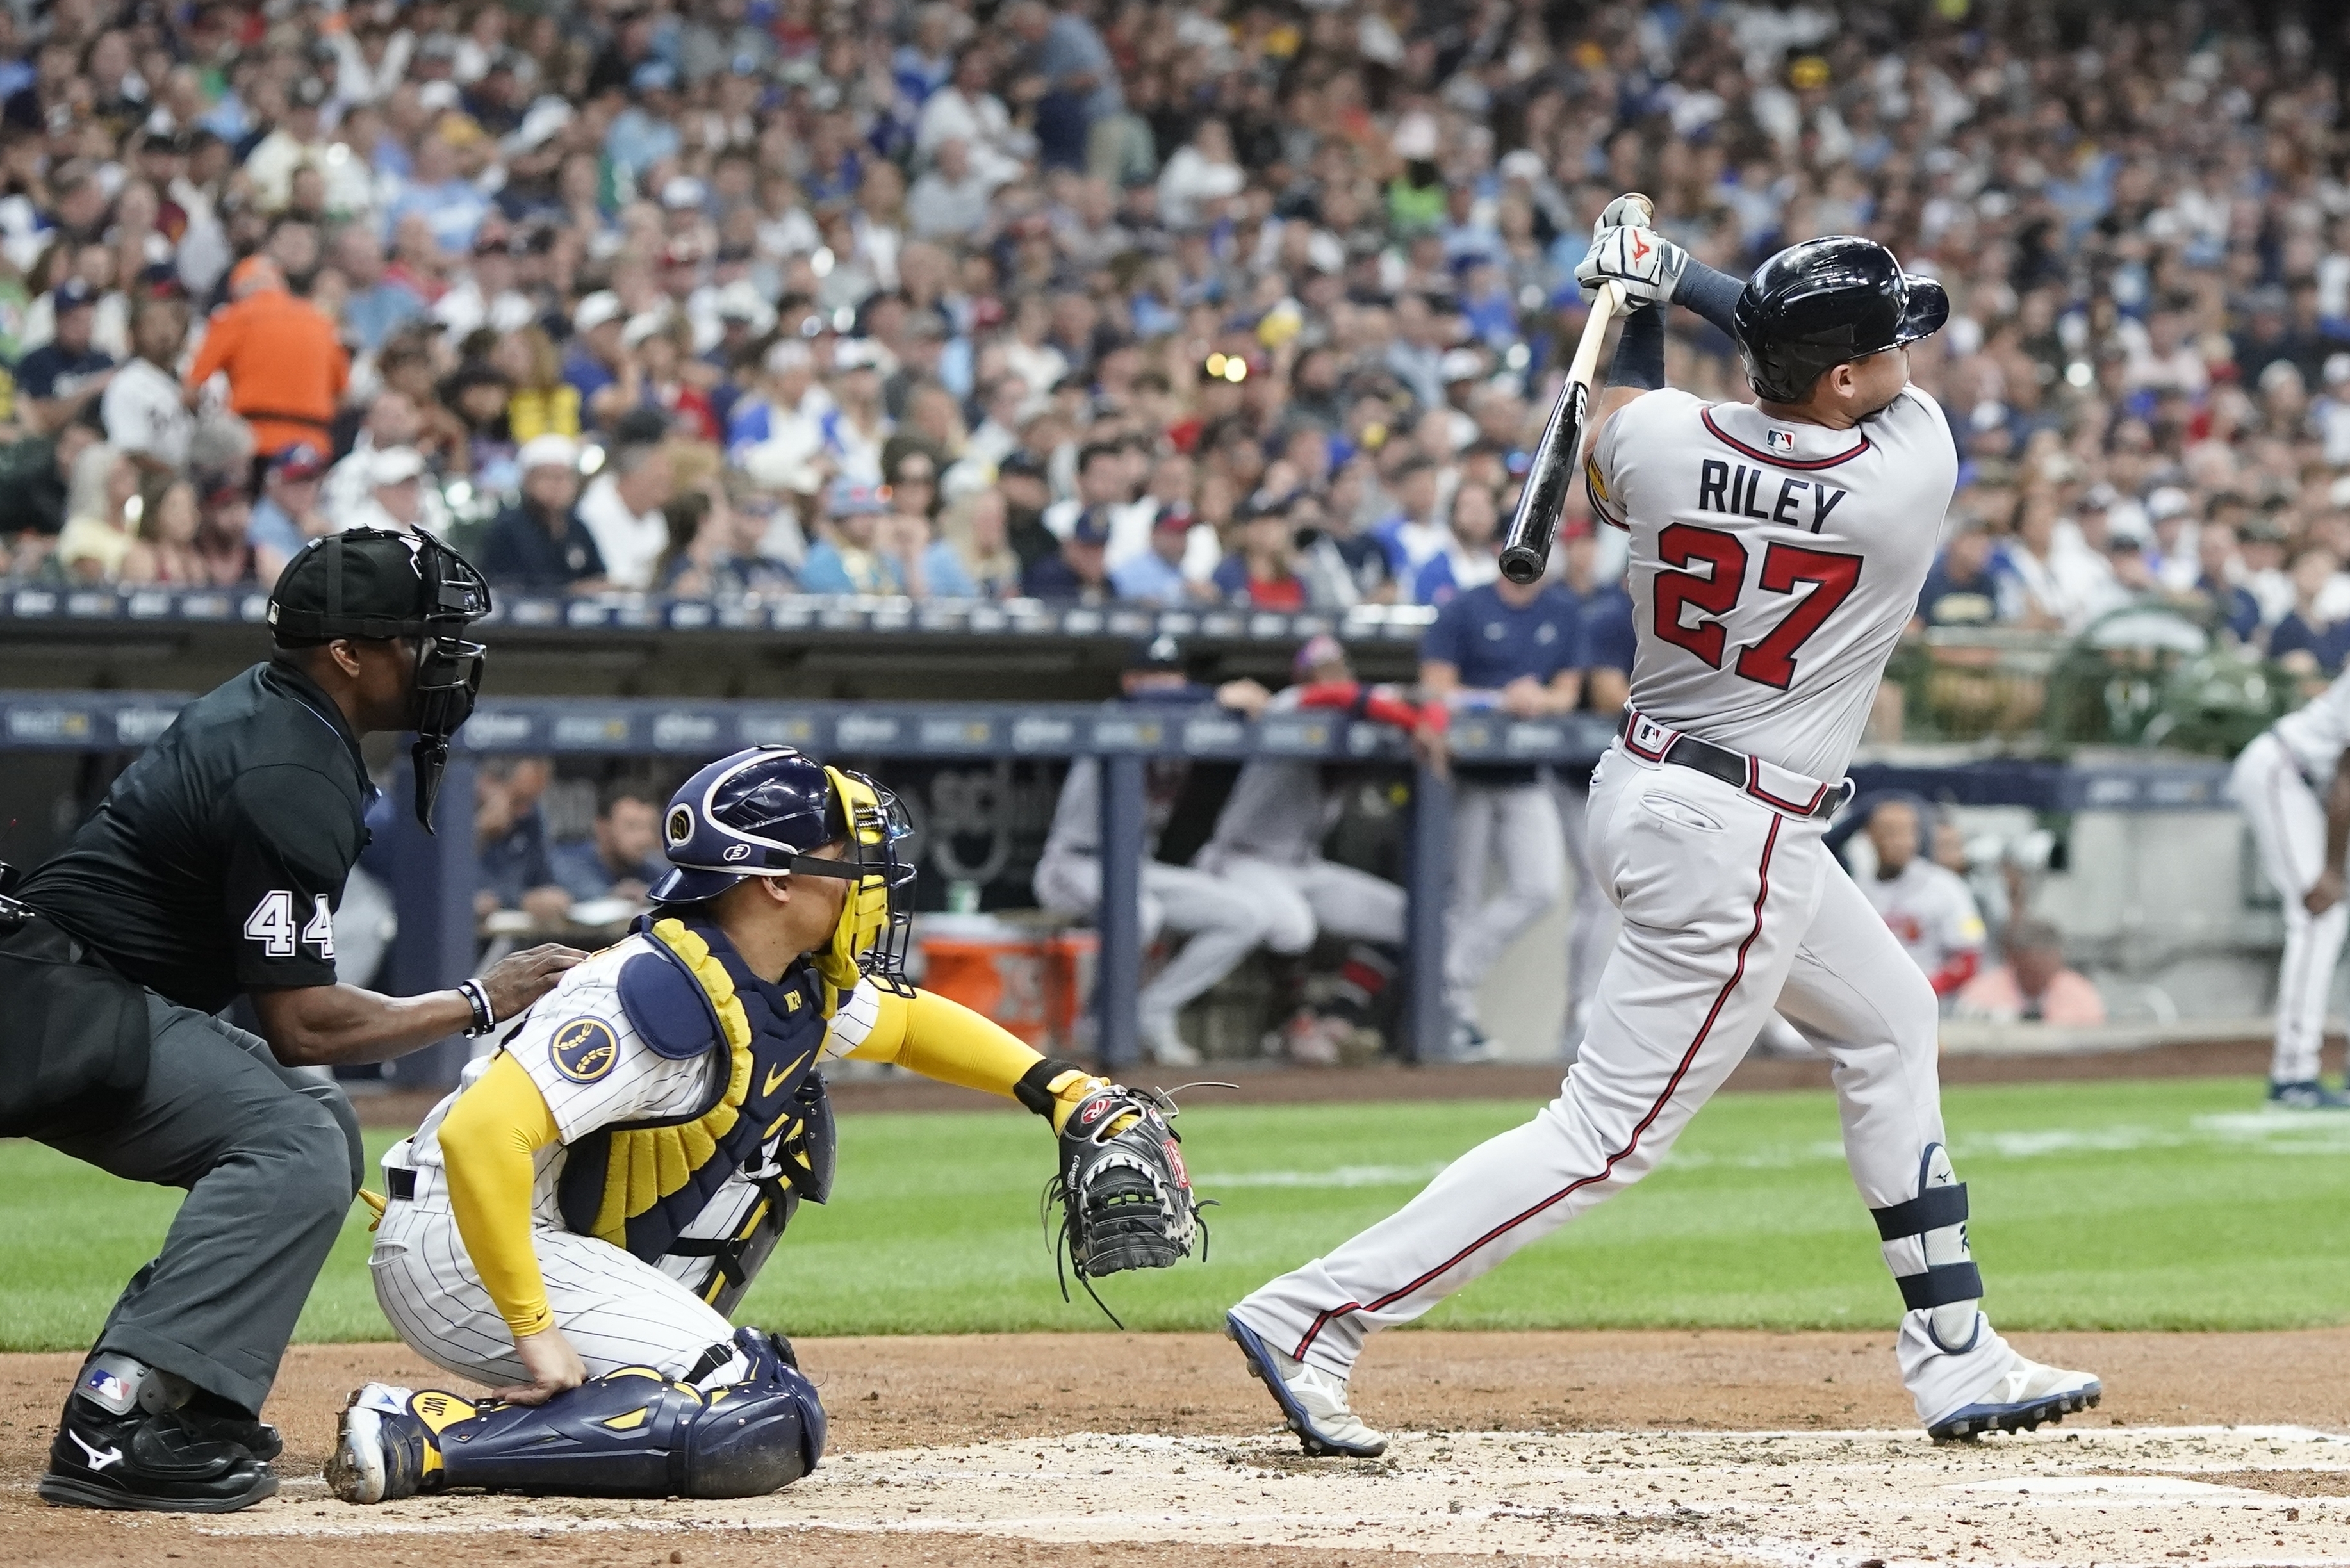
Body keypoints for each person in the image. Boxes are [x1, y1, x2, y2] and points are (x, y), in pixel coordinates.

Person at [1222, 219, 2098, 1460]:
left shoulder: (1655, 438)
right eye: (1888, 345)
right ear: (1841, 381)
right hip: (1737, 835)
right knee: (1599, 1137)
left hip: (1647, 786)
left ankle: (1954, 1351)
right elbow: (1774, 353)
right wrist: (1677, 274)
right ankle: (1316, 1315)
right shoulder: (1906, 478)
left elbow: (1623, 416)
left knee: (1892, 1017)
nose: (1910, 359)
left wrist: (1640, 286)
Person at [327, 747, 1190, 1503]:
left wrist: (1062, 1089)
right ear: (774, 880)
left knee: (791, 1127)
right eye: (843, 853)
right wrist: (537, 1335)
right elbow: (479, 1135)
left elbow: (905, 1021)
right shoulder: (652, 992)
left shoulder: (774, 972)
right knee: (749, 1403)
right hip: (459, 1248)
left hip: (527, 1230)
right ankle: (422, 1435)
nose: (869, 874)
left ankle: (641, 1368)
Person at [5, 529, 580, 1512]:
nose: (444, 657)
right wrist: (484, 998)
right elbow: (306, 1028)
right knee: (289, 1138)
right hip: (50, 999)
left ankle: (190, 1398)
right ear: (348, 654)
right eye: (420, 636)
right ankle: (117, 1419)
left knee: (314, 1124)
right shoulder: (291, 769)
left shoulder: (292, 725)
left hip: (74, 991)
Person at [1194, 635, 1443, 1065]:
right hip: (1242, 857)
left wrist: (1429, 724)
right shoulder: (1292, 703)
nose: (1332, 676)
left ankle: (1338, 1019)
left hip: (1302, 865)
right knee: (1295, 926)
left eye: (1338, 667)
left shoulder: (1361, 707)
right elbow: (1337, 695)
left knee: (1411, 918)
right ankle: (1292, 1023)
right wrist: (1408, 720)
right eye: (1320, 670)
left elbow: (1434, 701)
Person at [1033, 636, 1270, 1066]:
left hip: (1136, 866)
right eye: (1154, 677)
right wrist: (1216, 695)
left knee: (1246, 915)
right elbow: (1149, 706)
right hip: (1074, 863)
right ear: (1130, 682)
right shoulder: (1117, 712)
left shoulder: (1193, 719)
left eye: (1173, 675)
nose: (1167, 686)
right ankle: (1095, 1023)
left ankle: (1154, 1012)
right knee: (1141, 915)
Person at [1418, 556, 1582, 1059]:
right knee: (1460, 897)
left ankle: (1450, 980)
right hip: (1465, 773)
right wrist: (1497, 700)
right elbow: (1436, 688)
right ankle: (1454, 1017)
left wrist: (1538, 698)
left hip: (1526, 772)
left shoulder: (1560, 609)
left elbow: (1567, 694)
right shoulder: (1465, 609)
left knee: (1539, 887)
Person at [2231, 662, 2350, 1106]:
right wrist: (2332, 871)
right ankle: (2293, 1076)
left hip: (2321, 789)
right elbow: (2347, 777)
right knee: (2320, 917)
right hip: (2288, 773)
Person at [185, 256, 349, 460]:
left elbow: (191, 391)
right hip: (313, 445)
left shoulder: (234, 317)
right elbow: (343, 395)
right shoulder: (322, 322)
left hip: (254, 441)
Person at [1853, 797, 1987, 1006]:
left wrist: (1923, 991)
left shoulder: (1946, 886)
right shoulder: (1856, 889)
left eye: (1906, 832)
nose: (1899, 842)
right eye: (1889, 832)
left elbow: (1969, 958)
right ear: (1870, 836)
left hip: (1935, 1005)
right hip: (1873, 1004)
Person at [477, 434, 605, 595]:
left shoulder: (578, 528)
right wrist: (568, 591)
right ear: (527, 480)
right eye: (548, 477)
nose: (558, 485)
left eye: (565, 477)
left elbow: (598, 577)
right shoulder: (506, 530)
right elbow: (501, 586)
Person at [99, 296, 192, 473]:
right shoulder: (127, 384)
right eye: (153, 324)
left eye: (169, 323)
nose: (164, 332)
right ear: (133, 335)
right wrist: (179, 478)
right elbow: (133, 454)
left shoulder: (191, 377)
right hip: (151, 484)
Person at [1953, 920, 2107, 1027]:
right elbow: (1968, 1026)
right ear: (2015, 960)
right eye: (2032, 971)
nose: (2039, 977)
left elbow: (2091, 1030)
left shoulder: (2078, 990)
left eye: (2047, 970)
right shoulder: (1983, 990)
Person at [16, 277, 115, 434]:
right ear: (57, 320)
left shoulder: (104, 361)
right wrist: (91, 388)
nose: (82, 326)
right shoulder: (36, 362)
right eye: (74, 319)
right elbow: (43, 420)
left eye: (87, 318)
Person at [575, 441, 675, 592]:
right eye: (659, 483)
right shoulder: (596, 510)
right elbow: (615, 579)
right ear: (633, 479)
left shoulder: (653, 514)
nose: (666, 494)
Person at [550, 783, 667, 903]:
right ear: (602, 828)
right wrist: (616, 895)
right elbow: (585, 894)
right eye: (632, 826)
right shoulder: (569, 862)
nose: (645, 838)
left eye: (651, 827)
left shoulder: (649, 866)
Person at [246, 443, 333, 585]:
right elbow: (288, 583)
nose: (304, 491)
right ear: (273, 484)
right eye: (295, 482)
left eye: (309, 481)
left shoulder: (317, 517)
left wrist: (330, 533)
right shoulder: (263, 520)